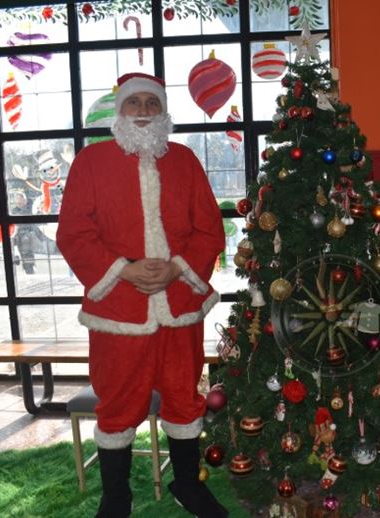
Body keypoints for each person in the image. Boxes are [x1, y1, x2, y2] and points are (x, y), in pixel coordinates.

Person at [56, 72, 227, 518]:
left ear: (164, 111)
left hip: (179, 306)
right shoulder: (90, 163)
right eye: (135, 103)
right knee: (117, 403)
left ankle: (186, 484)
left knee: (184, 397)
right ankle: (117, 497)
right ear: (120, 111)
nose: (145, 111)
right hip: (118, 309)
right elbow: (73, 233)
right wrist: (124, 269)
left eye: (153, 103)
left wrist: (176, 268)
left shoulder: (185, 161)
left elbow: (209, 229)